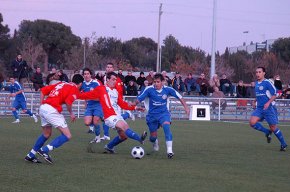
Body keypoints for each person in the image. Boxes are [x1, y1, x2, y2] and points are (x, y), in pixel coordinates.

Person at [78, 72, 147, 153]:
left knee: (123, 136)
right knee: (124, 126)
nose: (115, 81)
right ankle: (140, 138)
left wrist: (135, 107)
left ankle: (109, 147)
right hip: (109, 116)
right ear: (107, 80)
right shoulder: (101, 89)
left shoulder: (115, 92)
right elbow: (87, 95)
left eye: (116, 80)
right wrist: (74, 95)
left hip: (117, 115)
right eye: (113, 79)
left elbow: (122, 104)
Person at [24, 74, 84, 164]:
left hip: (44, 108)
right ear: (80, 84)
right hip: (52, 110)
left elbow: (43, 91)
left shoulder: (61, 83)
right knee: (67, 135)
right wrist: (71, 113)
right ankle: (44, 150)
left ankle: (30, 155)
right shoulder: (74, 89)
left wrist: (41, 105)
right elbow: (68, 102)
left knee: (46, 134)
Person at [135, 73, 190, 159]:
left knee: (166, 128)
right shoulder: (149, 89)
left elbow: (180, 97)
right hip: (152, 116)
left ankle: (169, 150)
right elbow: (139, 99)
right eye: (154, 82)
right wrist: (132, 104)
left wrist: (186, 108)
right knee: (153, 137)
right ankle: (155, 141)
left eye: (158, 82)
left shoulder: (168, 89)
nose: (155, 84)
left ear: (163, 82)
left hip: (163, 114)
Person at [249, 67, 287, 151]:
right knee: (252, 122)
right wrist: (255, 101)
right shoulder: (256, 83)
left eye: (259, 72)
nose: (257, 74)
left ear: (264, 73)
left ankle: (283, 144)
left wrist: (268, 102)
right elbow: (259, 95)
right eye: (256, 72)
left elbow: (275, 94)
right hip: (259, 108)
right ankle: (267, 132)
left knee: (273, 127)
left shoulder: (267, 82)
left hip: (268, 108)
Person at [81, 68, 105, 142]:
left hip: (98, 105)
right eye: (85, 74)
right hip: (89, 105)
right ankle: (100, 118)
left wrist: (92, 97)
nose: (86, 75)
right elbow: (84, 95)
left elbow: (102, 95)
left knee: (95, 122)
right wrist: (85, 103)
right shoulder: (83, 84)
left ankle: (97, 137)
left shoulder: (96, 83)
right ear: (83, 75)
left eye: (88, 74)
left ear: (90, 74)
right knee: (87, 122)